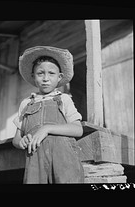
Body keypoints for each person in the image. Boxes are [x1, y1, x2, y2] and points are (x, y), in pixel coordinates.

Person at [12, 46, 84, 184]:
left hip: (63, 160)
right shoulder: (26, 103)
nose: (46, 78)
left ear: (59, 77)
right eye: (40, 73)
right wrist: (21, 142)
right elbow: (16, 138)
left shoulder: (63, 99)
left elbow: (78, 129)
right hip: (34, 161)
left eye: (51, 73)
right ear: (33, 77)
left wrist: (46, 128)